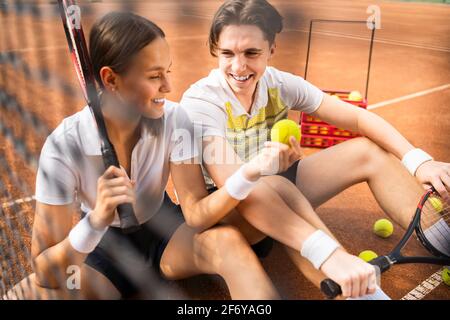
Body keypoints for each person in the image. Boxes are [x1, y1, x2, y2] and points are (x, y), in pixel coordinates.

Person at [12, 11, 296, 300]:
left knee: (229, 243)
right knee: (29, 294)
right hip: (101, 251)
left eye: (167, 72)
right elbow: (44, 269)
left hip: (167, 233)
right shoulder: (63, 146)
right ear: (111, 79)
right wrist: (95, 220)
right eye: (154, 75)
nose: (168, 87)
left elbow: (196, 210)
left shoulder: (174, 119)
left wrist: (249, 174)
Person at [180, 0, 449, 299]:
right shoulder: (202, 102)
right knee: (275, 184)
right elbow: (233, 183)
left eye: (252, 53)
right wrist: (267, 168)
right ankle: (361, 291)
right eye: (228, 53)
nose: (239, 66)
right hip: (228, 212)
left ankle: (445, 241)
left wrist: (418, 161)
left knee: (366, 151)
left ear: (271, 49)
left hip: (275, 187)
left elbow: (357, 117)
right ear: (215, 51)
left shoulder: (279, 84)